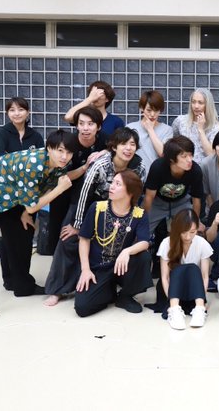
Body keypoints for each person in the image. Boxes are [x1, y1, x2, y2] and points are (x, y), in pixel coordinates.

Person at [0, 129, 79, 320]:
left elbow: (51, 184)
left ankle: (21, 285)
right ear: (49, 148)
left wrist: (26, 212)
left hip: (13, 197)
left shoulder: (58, 165)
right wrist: (58, 190)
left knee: (22, 236)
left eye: (69, 152)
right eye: (60, 150)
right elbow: (35, 204)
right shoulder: (33, 163)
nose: (64, 156)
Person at [44, 128, 147, 306]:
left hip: (120, 209)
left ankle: (116, 285)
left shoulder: (139, 167)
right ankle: (58, 290)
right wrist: (77, 224)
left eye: (132, 144)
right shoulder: (101, 164)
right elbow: (84, 193)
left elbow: (137, 195)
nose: (128, 148)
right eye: (123, 144)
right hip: (89, 205)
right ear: (114, 147)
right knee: (68, 240)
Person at [74, 170, 152, 317]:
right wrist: (85, 269)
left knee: (144, 257)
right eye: (112, 182)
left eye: (118, 184)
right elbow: (84, 239)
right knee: (82, 308)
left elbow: (144, 242)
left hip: (121, 266)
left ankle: (125, 296)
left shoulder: (139, 214)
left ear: (130, 192)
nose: (111, 186)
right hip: (98, 267)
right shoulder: (97, 208)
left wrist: (127, 251)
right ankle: (108, 291)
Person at [0, 97, 45, 290]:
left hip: (30, 195)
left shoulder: (35, 136)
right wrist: (25, 167)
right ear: (7, 113)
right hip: (7, 194)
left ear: (28, 112)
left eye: (21, 109)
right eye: (12, 110)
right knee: (8, 238)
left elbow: (39, 165)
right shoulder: (1, 133)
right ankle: (11, 280)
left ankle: (20, 279)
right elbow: (2, 163)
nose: (17, 113)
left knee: (25, 237)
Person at [48, 106, 107, 254]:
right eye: (81, 123)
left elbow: (116, 149)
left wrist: (105, 151)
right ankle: (57, 260)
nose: (85, 128)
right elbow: (60, 176)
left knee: (86, 231)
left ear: (98, 126)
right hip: (63, 190)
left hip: (89, 194)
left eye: (90, 124)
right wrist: (85, 167)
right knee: (59, 229)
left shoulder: (105, 140)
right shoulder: (68, 142)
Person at [159, 210, 213, 330]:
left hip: (194, 290)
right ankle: (174, 310)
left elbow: (205, 276)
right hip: (172, 289)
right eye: (183, 232)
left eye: (192, 232)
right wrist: (170, 300)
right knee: (179, 269)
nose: (188, 237)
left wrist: (202, 299)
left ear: (197, 229)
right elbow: (165, 277)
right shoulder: (167, 243)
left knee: (193, 268)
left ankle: (199, 309)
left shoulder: (202, 243)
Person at [143, 136, 204, 234]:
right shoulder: (158, 167)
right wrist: (143, 220)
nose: (189, 160)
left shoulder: (195, 170)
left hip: (181, 202)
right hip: (157, 202)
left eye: (190, 155)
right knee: (142, 230)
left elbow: (196, 200)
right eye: (184, 156)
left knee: (192, 231)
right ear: (172, 159)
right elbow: (149, 197)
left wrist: (195, 222)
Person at [126, 90, 174, 172]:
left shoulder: (167, 130)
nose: (152, 114)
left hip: (157, 174)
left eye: (156, 110)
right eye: (149, 110)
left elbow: (163, 154)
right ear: (142, 108)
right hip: (134, 174)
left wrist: (150, 130)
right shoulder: (130, 127)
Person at [172, 88, 219, 163]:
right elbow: (173, 143)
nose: (196, 106)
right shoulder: (180, 121)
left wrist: (200, 129)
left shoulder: (215, 126)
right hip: (183, 166)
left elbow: (211, 155)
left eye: (200, 103)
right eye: (193, 102)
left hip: (204, 167)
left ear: (207, 105)